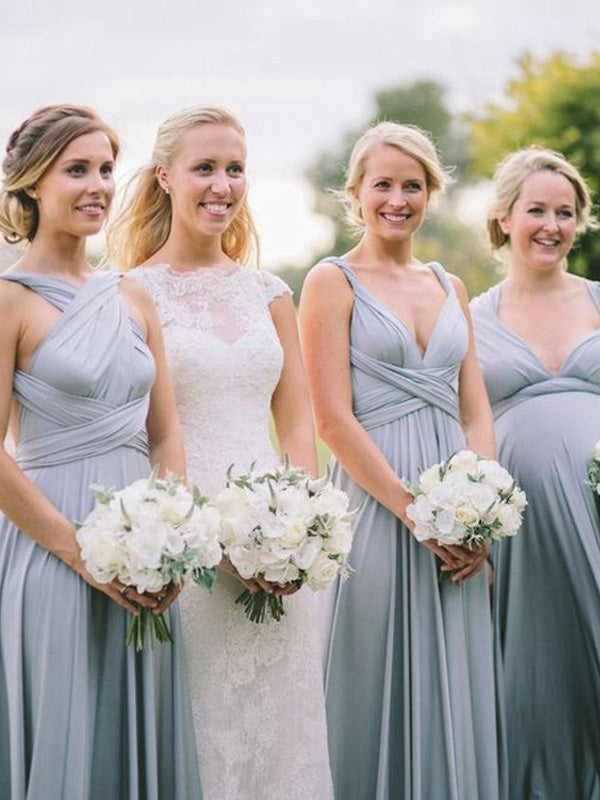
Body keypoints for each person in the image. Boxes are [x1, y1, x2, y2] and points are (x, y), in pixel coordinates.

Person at [110, 105, 333, 800]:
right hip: (185, 543)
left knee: (284, 731)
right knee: (204, 731)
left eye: (235, 169)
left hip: (276, 539)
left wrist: (300, 530)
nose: (222, 184)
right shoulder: (130, 295)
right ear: (164, 179)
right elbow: (142, 431)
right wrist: (195, 536)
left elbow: (298, 426)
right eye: (204, 168)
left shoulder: (271, 295)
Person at [0, 104, 202, 800]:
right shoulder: (8, 302)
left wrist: (170, 530)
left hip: (143, 555)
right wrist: (75, 550)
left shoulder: (135, 296)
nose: (96, 186)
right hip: (50, 546)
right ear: (31, 184)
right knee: (66, 726)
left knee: (134, 727)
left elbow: (166, 432)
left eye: (106, 170)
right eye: (75, 169)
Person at [299, 121, 502, 799]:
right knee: (370, 670)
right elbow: (331, 417)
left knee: (456, 670)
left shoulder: (451, 285)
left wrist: (480, 510)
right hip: (377, 504)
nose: (397, 198)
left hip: (457, 512)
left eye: (411, 185)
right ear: (354, 193)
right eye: (382, 184)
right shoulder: (331, 282)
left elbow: (475, 411)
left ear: (430, 194)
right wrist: (414, 511)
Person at [471, 147, 600, 798]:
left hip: (597, 522)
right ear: (504, 219)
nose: (552, 225)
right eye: (537, 211)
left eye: (566, 213)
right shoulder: (469, 319)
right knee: (531, 682)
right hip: (518, 537)